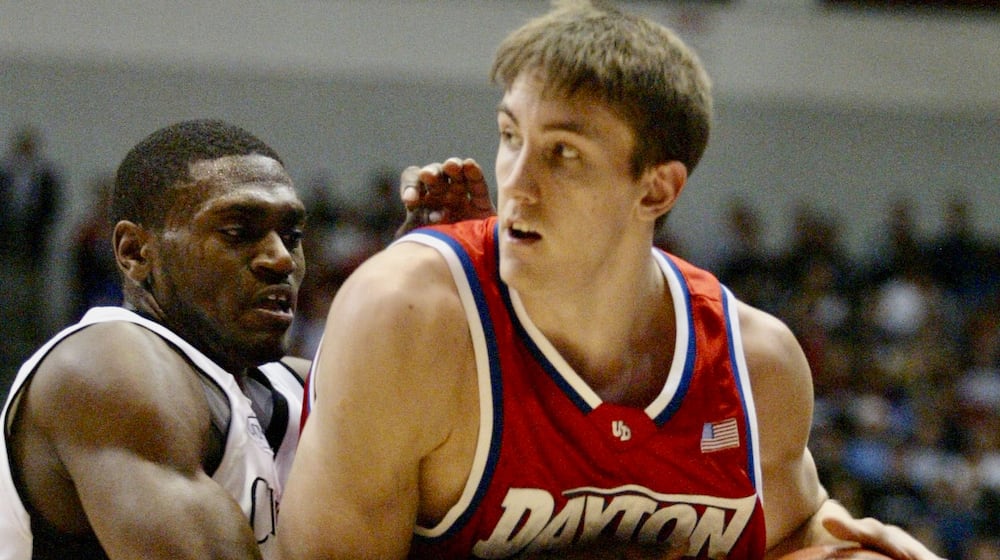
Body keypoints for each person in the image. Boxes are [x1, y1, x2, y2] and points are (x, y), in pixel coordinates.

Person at [278, 2, 943, 559]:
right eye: (511, 137)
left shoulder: (756, 362)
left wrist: (849, 551)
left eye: (563, 153)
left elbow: (795, 530)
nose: (515, 182)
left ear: (657, 188)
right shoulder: (408, 317)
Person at [0, 119, 485, 560]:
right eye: (238, 232)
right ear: (134, 252)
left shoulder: (297, 385)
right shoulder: (106, 365)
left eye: (292, 235)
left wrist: (435, 290)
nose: (279, 260)